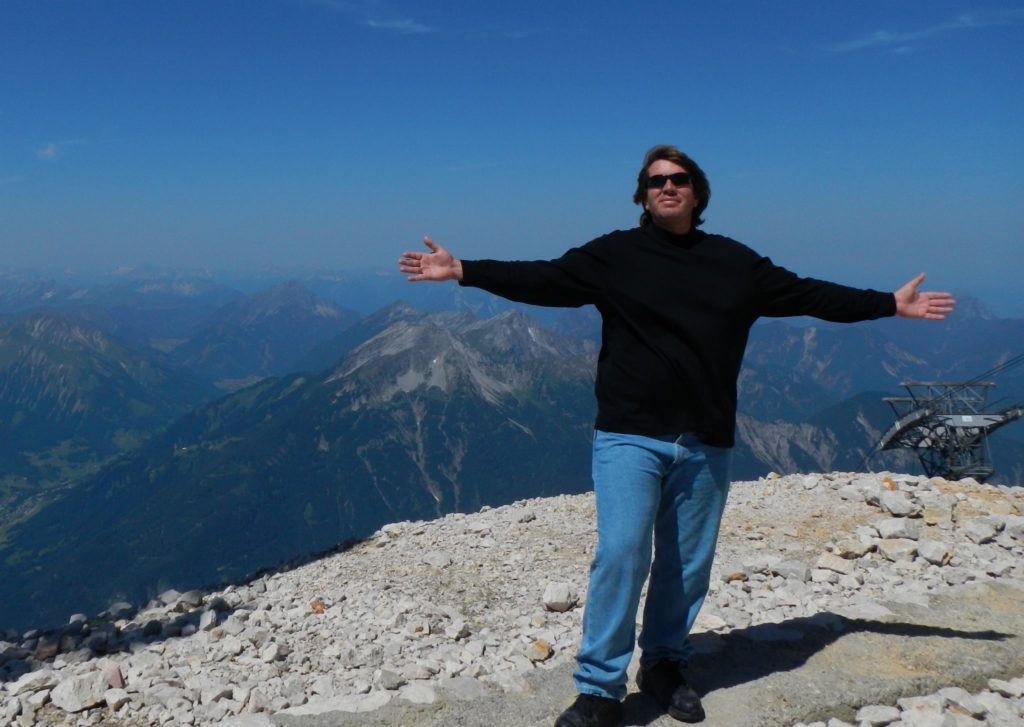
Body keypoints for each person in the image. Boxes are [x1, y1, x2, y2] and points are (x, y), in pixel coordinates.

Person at [398, 145, 955, 727]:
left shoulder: (735, 264)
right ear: (642, 194)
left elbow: (810, 294)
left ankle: (664, 665)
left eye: (679, 179)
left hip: (705, 438)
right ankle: (598, 690)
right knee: (622, 553)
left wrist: (889, 304)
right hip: (628, 436)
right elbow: (546, 278)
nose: (668, 187)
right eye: (656, 180)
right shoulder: (614, 255)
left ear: (698, 192)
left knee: (687, 565)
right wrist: (463, 271)